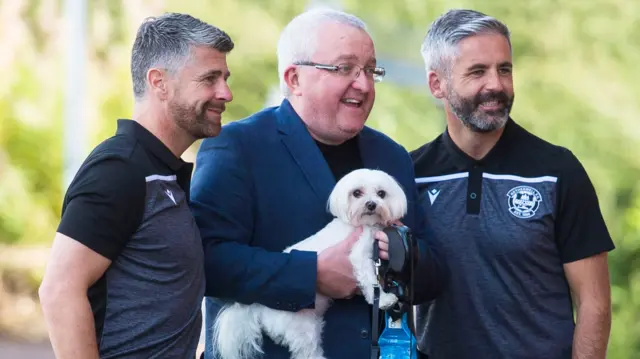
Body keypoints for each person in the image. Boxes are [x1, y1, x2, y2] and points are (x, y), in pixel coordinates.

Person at [189, 8, 445, 359]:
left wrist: (403, 253)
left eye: (371, 70)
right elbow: (206, 259)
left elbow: (434, 272)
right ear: (294, 78)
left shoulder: (392, 155)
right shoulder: (236, 146)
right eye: (345, 68)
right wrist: (312, 274)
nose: (364, 84)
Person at [410, 9, 615, 359]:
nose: (497, 85)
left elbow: (594, 304)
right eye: (477, 72)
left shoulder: (557, 170)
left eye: (504, 69)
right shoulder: (412, 173)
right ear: (436, 84)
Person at [38, 13, 234, 359]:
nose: (226, 93)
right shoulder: (119, 169)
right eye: (210, 79)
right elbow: (59, 290)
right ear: (159, 82)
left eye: (225, 78)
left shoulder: (161, 172)